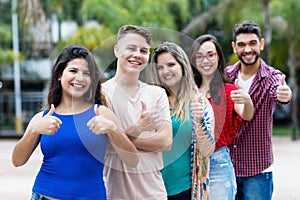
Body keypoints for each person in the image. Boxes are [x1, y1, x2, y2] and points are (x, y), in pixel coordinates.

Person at [11, 44, 138, 200]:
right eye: (73, 71)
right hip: (44, 195)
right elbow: (17, 161)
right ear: (59, 75)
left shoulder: (101, 113)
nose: (79, 78)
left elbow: (132, 160)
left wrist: (113, 129)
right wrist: (33, 130)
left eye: (86, 73)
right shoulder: (42, 117)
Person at [101, 25, 173, 200]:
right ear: (117, 50)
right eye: (131, 48)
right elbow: (105, 146)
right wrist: (138, 128)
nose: (137, 55)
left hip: (154, 193)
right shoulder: (101, 93)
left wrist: (123, 140)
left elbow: (165, 142)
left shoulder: (157, 93)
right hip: (115, 193)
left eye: (143, 50)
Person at [224, 20, 292, 200]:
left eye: (252, 43)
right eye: (242, 45)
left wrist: (284, 93)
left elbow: (280, 91)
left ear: (261, 44)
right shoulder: (226, 76)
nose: (247, 49)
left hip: (258, 171)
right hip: (228, 168)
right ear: (234, 47)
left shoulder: (271, 77)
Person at [189, 34, 254, 200]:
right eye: (200, 56)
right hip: (189, 163)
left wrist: (247, 101)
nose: (206, 60)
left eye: (211, 55)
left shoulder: (229, 90)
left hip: (218, 162)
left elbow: (247, 115)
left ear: (218, 58)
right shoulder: (187, 92)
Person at [150, 41, 215, 200]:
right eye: (160, 67)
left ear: (182, 66)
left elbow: (207, 151)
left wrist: (199, 121)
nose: (165, 71)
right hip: (152, 188)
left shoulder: (199, 103)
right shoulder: (151, 101)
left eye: (171, 64)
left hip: (185, 190)